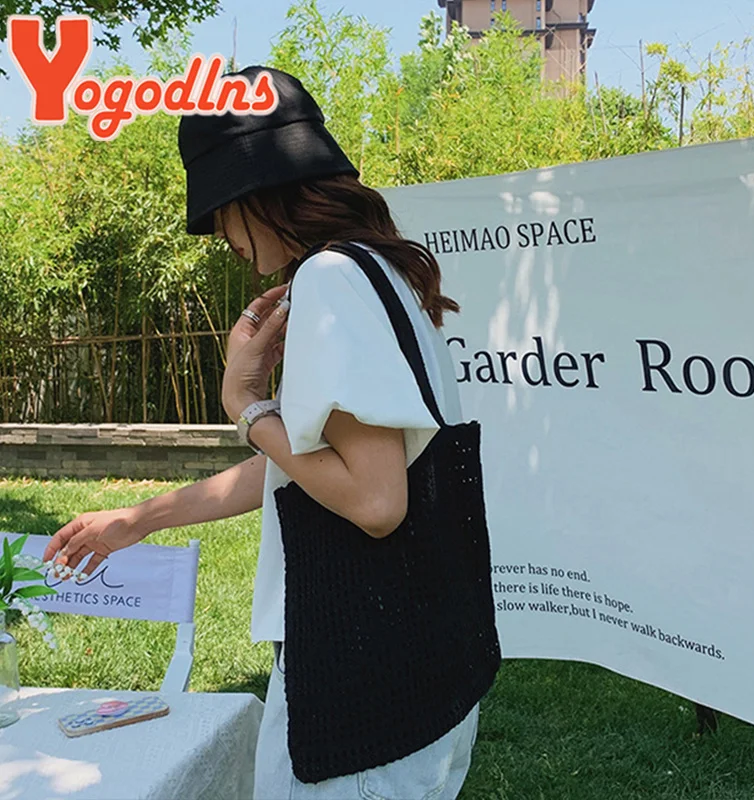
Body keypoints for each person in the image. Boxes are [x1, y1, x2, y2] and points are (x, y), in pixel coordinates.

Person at [44, 66, 498, 799]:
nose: (220, 236)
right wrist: (138, 519)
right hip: (426, 671)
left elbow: (375, 502)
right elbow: (315, 470)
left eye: (218, 213)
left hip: (360, 690)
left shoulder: (330, 279)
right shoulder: (381, 273)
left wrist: (248, 405)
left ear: (250, 193)